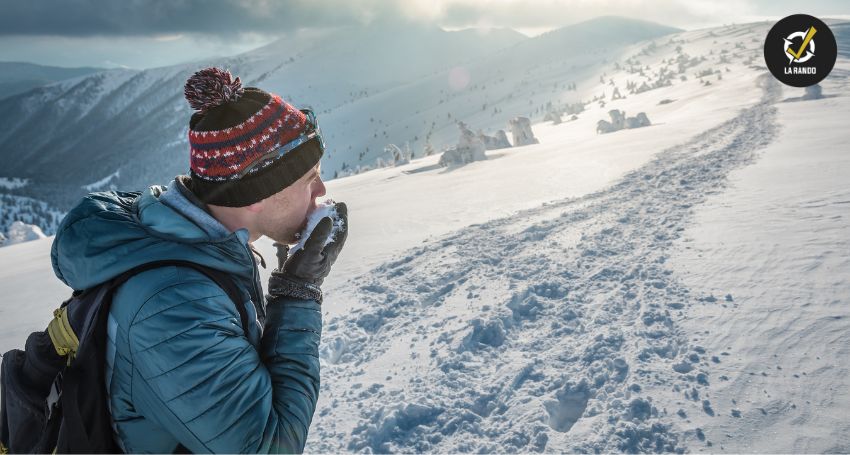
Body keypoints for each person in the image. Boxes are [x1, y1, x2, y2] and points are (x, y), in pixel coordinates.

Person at [49, 67, 348, 453]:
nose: (322, 190)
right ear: (255, 192)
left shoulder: (206, 242)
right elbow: (268, 447)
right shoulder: (174, 303)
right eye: (309, 178)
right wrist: (299, 294)